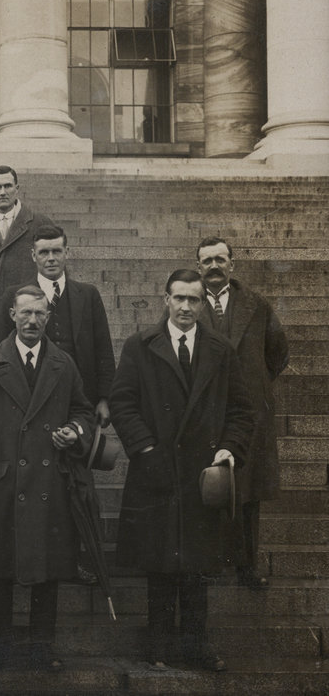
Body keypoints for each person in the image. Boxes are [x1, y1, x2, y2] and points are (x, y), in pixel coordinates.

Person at [110, 269, 253, 672]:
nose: (187, 307)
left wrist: (228, 449)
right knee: (159, 565)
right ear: (166, 300)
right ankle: (158, 643)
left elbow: (242, 410)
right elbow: (122, 403)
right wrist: (146, 447)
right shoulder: (140, 346)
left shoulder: (221, 349)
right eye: (179, 299)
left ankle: (195, 644)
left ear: (203, 302)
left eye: (194, 299)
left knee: (197, 566)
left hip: (202, 473)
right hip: (156, 470)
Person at [0, 285, 93, 673]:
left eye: (39, 314)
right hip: (3, 482)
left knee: (47, 571)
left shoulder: (63, 364)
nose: (32, 321)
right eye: (25, 313)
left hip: (48, 481)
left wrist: (75, 431)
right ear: (11, 316)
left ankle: (41, 646)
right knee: (0, 571)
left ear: (48, 318)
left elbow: (83, 411)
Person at [196, 237, 289, 588]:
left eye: (221, 259)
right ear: (199, 267)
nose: (214, 267)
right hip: (204, 411)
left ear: (232, 264)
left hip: (247, 413)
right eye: (207, 261)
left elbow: (277, 353)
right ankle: (209, 560)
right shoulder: (188, 304)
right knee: (209, 486)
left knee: (247, 493)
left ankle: (246, 566)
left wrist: (252, 386)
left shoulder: (257, 304)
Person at [0, 225, 115, 430]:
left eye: (57, 251)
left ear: (66, 252)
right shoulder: (14, 295)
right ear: (33, 255)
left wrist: (105, 399)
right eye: (44, 252)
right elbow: (0, 348)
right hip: (32, 394)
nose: (51, 258)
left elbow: (103, 348)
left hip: (79, 395)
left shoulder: (88, 294)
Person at [0, 165, 53, 374]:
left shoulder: (39, 223)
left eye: (7, 186)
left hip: (26, 313)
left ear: (17, 188)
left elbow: (54, 267)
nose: (2, 192)